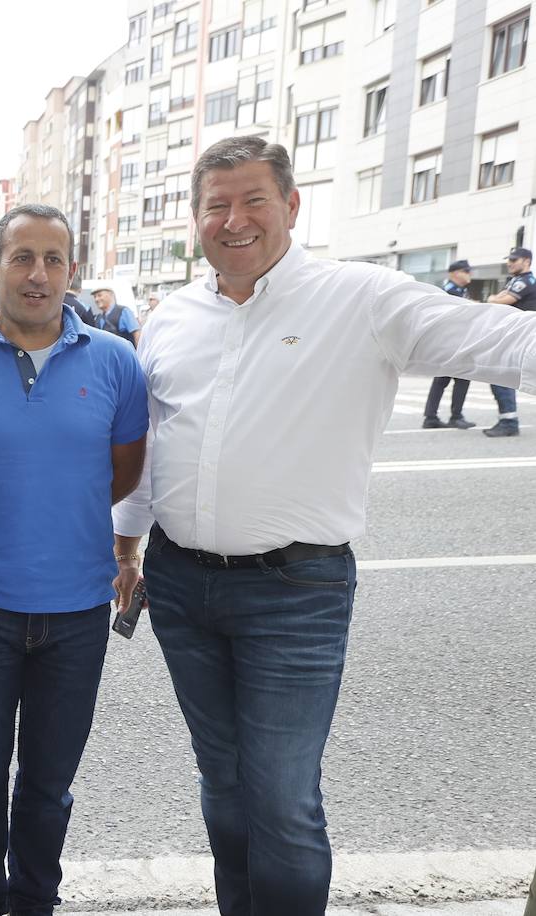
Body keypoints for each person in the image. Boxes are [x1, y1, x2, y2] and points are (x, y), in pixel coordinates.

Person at [111, 136, 536, 916]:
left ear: (291, 206)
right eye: (216, 206)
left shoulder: (362, 299)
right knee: (225, 786)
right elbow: (156, 442)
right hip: (178, 585)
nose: (233, 220)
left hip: (295, 591)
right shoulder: (172, 318)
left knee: (282, 800)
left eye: (252, 202)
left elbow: (506, 343)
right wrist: (127, 544)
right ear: (197, 219)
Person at [0, 203, 148, 915]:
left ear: (73, 272)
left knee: (49, 786)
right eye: (22, 257)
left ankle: (34, 903)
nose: (38, 274)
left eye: (53, 259)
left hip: (77, 614)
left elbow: (119, 474)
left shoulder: (117, 362)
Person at [482, 247, 536, 437]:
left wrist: (493, 298)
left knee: (500, 375)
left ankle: (509, 422)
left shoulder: (525, 281)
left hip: (524, 338)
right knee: (500, 376)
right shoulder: (516, 280)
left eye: (514, 259)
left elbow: (499, 301)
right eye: (509, 259)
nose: (509, 262)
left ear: (527, 261)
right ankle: (508, 420)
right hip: (517, 337)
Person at [422, 259, 476, 429]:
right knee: (461, 378)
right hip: (452, 341)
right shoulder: (451, 291)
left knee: (443, 379)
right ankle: (453, 416)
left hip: (454, 341)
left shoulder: (460, 290)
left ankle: (431, 417)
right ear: (454, 273)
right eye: (465, 271)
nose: (469, 274)